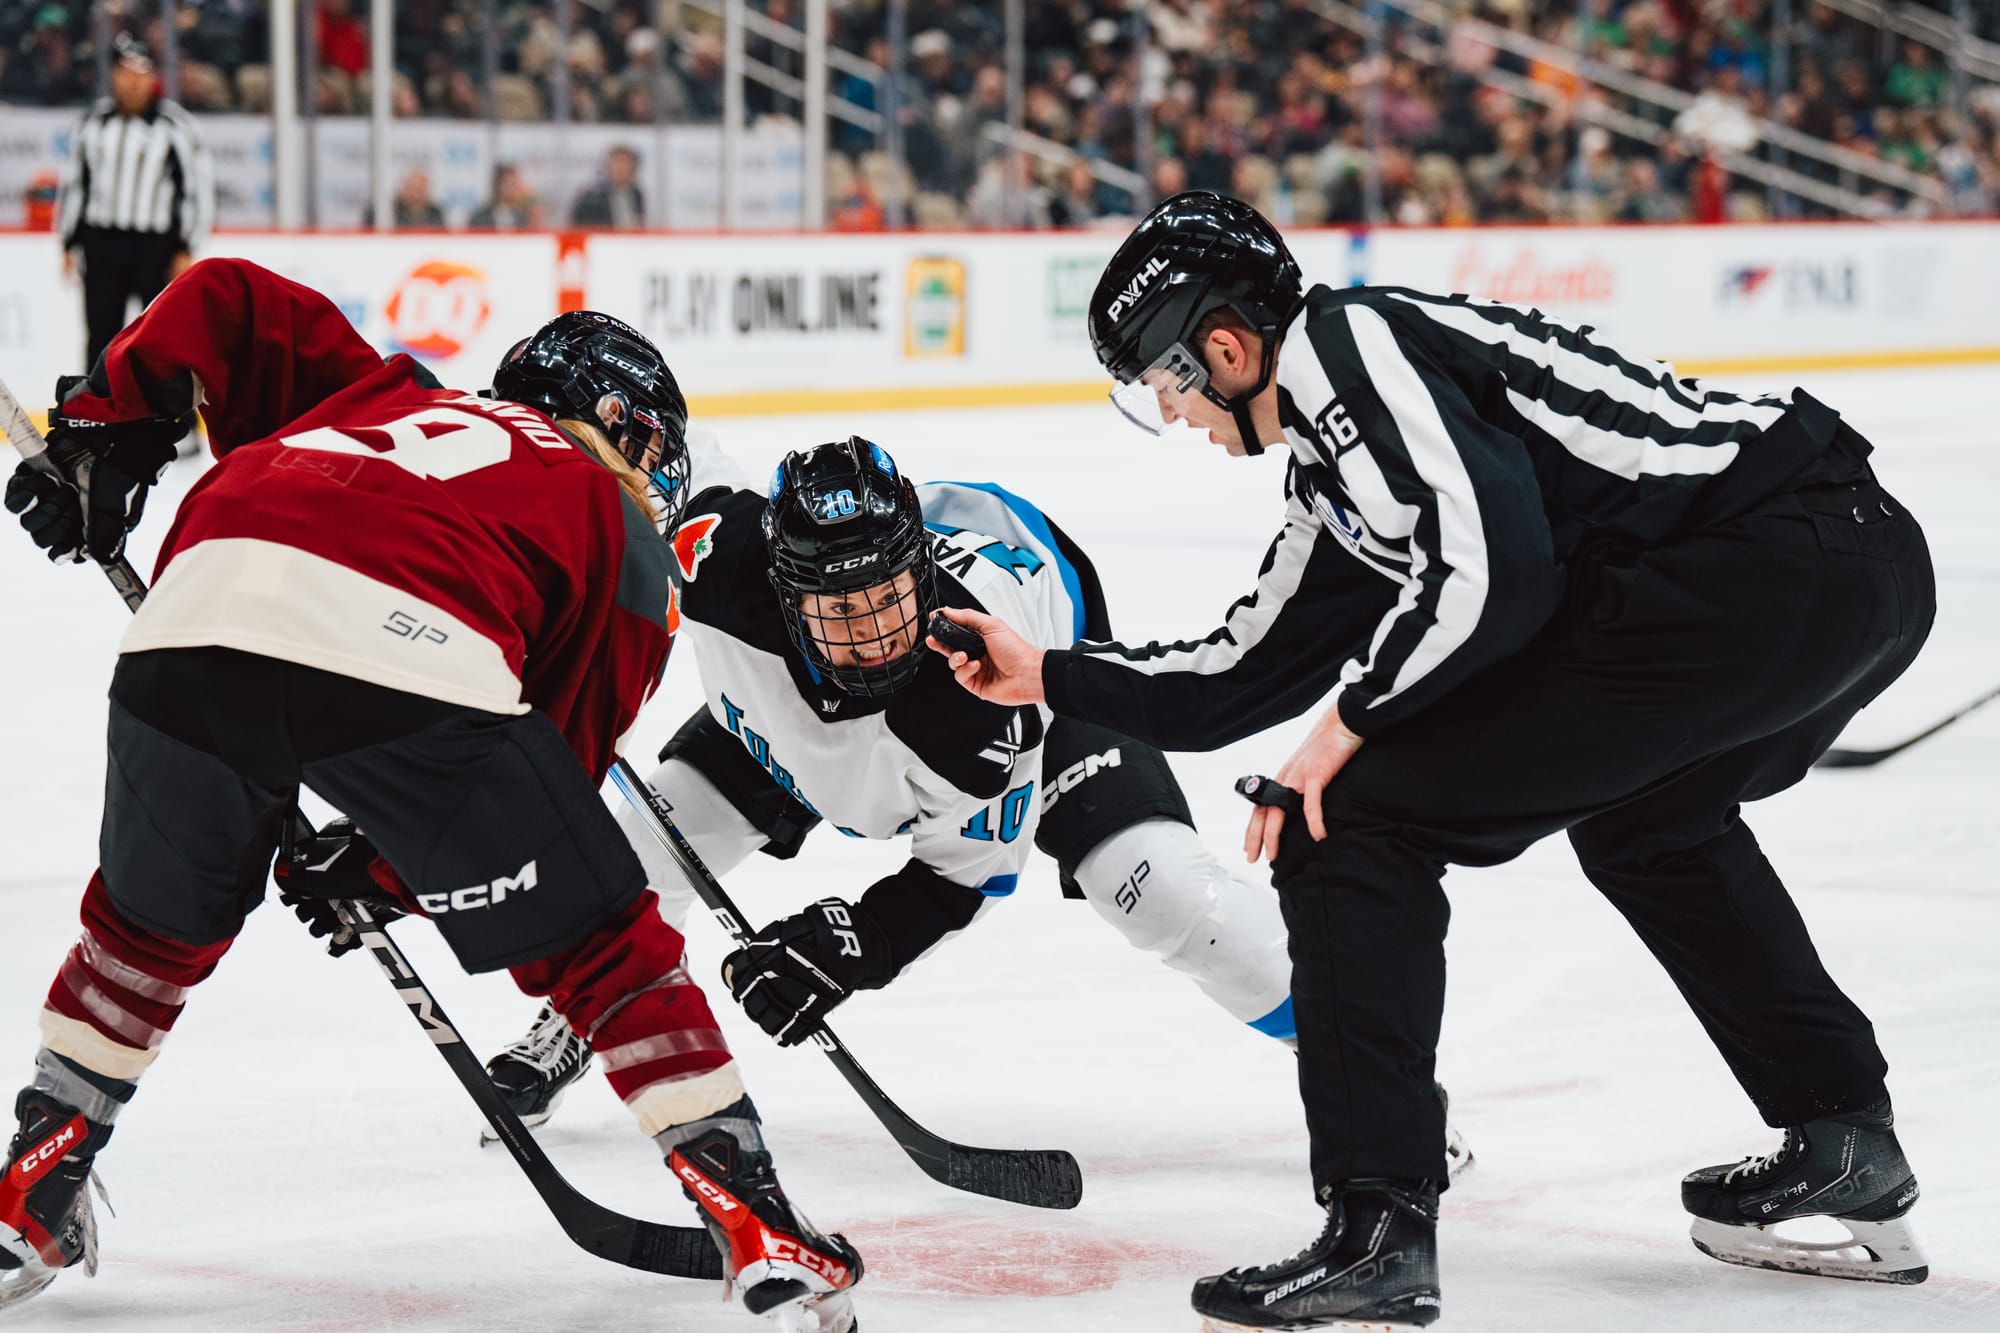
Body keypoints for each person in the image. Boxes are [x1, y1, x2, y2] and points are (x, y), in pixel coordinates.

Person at [930, 191, 1935, 1329]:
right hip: (1845, 569)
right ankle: (1842, 1132)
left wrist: (1343, 730)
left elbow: (1494, 568)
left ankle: (1378, 1224)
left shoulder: (1346, 346)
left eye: (1168, 385)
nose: (1176, 417)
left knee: (1346, 818)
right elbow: (1236, 673)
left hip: (1763, 560)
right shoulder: (1340, 467)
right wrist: (1047, 675)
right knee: (1649, 827)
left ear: (1225, 344)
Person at [0, 259, 861, 1330]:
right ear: (624, 425)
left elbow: (224, 297)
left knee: (147, 930)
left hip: (185, 619)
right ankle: (752, 1212)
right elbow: (549, 787)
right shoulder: (621, 526)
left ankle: (35, 1175)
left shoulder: (387, 392)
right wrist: (387, 865)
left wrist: (103, 432)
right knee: (603, 942)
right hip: (402, 646)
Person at [482, 438, 1493, 1176]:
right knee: (649, 834)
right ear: (780, 594)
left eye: (889, 601)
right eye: (839, 611)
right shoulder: (716, 560)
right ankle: (582, 1010)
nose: (873, 636)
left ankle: (1375, 1082)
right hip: (787, 716)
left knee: (1169, 900)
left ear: (919, 575)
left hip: (1053, 696)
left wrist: (850, 943)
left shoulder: (972, 695)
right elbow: (589, 580)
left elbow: (965, 873)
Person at [56, 32, 214, 371]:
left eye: (141, 73)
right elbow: (75, 185)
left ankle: (176, 419)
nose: (132, 83)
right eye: (125, 72)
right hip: (101, 242)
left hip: (155, 247)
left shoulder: (176, 127)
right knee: (100, 335)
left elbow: (196, 191)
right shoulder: (92, 124)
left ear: (153, 77)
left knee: (164, 336)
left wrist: (187, 246)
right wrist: (68, 241)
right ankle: (96, 414)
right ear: (113, 75)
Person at [571, 145, 645, 229]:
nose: (621, 168)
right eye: (617, 163)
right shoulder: (592, 196)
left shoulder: (635, 193)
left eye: (625, 164)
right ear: (607, 167)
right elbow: (580, 227)